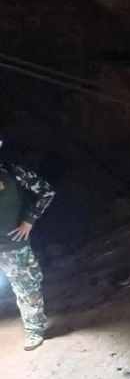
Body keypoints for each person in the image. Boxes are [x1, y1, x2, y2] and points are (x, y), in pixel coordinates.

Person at [0, 134, 55, 352]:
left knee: (26, 287)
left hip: (13, 245)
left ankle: (35, 329)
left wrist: (29, 220)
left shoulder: (14, 172)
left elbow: (46, 192)